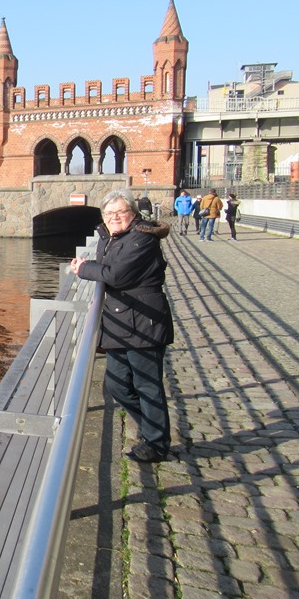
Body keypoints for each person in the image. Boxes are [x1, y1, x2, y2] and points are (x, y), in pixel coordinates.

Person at [70, 189, 174, 463]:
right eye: (108, 213)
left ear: (133, 214)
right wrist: (90, 265)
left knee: (147, 385)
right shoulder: (112, 237)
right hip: (120, 322)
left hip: (144, 322)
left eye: (120, 213)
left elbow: (116, 275)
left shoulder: (141, 239)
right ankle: (151, 429)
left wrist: (83, 268)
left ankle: (157, 443)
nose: (114, 217)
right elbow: (109, 268)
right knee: (117, 384)